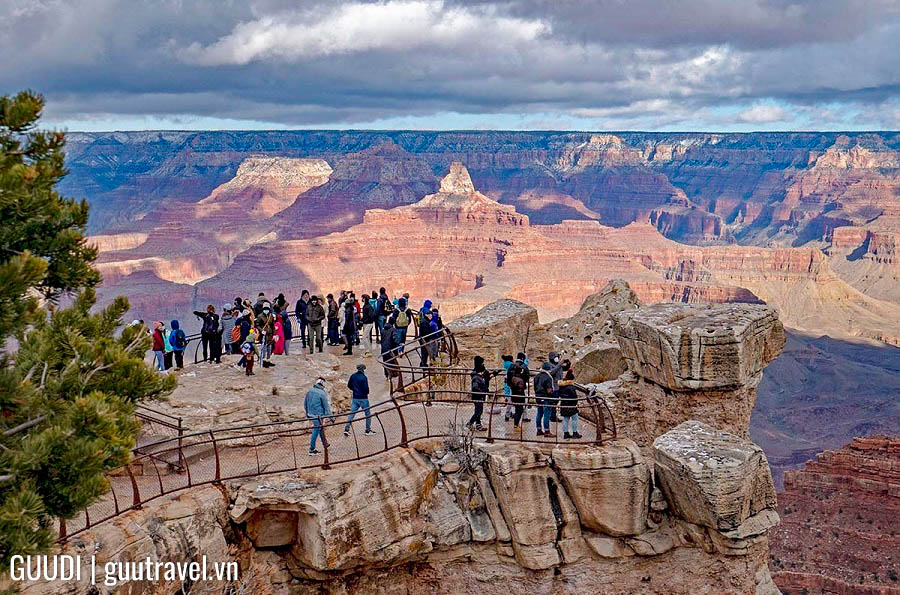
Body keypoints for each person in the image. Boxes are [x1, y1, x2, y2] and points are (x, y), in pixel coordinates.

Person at [533, 351, 564, 436]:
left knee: (539, 414)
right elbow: (549, 390)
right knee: (546, 414)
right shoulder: (548, 377)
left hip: (538, 397)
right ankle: (547, 431)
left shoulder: (536, 376)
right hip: (546, 398)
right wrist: (551, 394)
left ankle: (539, 430)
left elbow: (535, 388)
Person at [344, 364, 376, 436]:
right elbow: (366, 389)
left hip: (355, 398)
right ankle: (367, 430)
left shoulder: (353, 376)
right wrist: (366, 393)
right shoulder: (364, 378)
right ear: (363, 369)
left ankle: (346, 429)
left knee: (351, 414)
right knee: (367, 414)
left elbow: (349, 385)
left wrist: (354, 390)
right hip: (363, 398)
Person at [304, 378, 334, 455]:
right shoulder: (322, 393)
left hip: (311, 414)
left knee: (320, 428)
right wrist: (332, 417)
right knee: (316, 430)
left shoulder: (310, 390)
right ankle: (312, 449)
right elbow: (326, 407)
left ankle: (325, 443)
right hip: (318, 415)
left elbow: (305, 403)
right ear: (323, 384)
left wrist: (307, 413)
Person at [506, 352, 531, 429]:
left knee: (516, 406)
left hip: (513, 389)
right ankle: (516, 424)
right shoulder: (524, 366)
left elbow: (508, 378)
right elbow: (527, 376)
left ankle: (515, 422)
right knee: (519, 408)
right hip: (520, 390)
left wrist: (512, 385)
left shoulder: (511, 366)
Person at [468, 356, 491, 431]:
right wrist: (483, 391)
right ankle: (470, 423)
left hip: (480, 395)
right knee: (478, 411)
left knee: (478, 411)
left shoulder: (477, 374)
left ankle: (478, 425)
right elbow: (475, 387)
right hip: (478, 396)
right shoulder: (476, 376)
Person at [558, 368, 582, 439]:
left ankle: (566, 433)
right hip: (571, 405)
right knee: (575, 419)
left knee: (566, 419)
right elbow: (574, 396)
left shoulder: (561, 386)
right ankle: (575, 433)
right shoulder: (571, 387)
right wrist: (575, 403)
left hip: (563, 404)